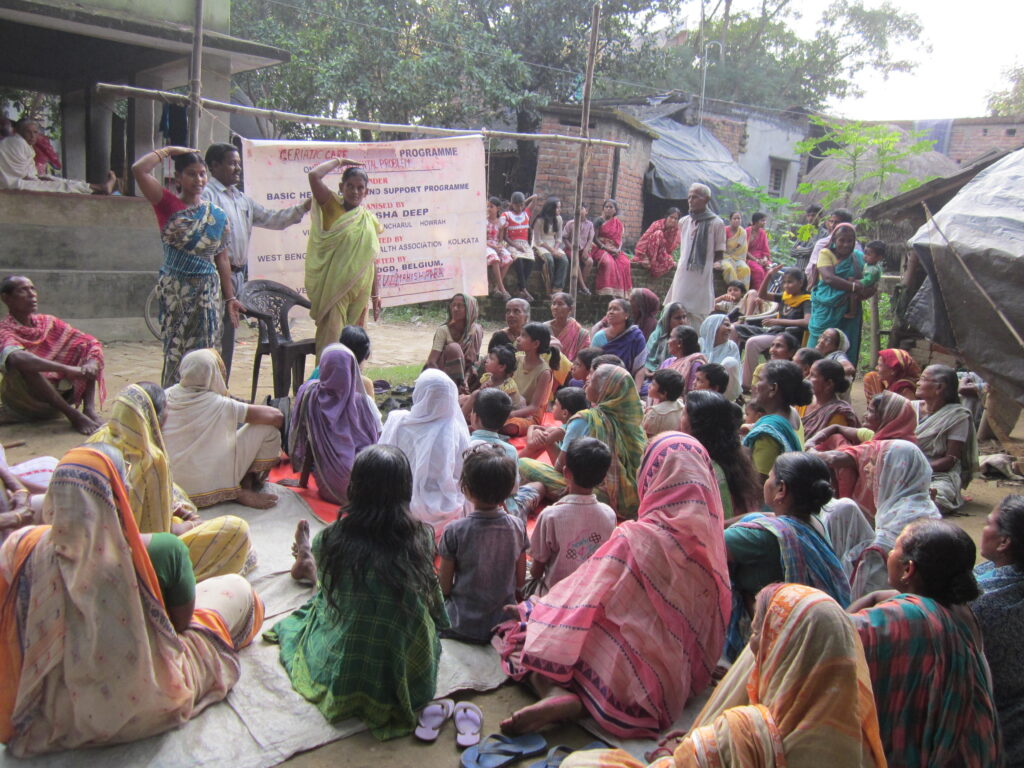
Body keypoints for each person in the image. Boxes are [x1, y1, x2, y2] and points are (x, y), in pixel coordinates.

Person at [0, 446, 262, 756]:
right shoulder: (160, 551)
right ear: (119, 496)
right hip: (142, 699)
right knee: (237, 589)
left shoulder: (19, 546)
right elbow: (179, 627)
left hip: (50, 711)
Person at [498, 433, 730, 739]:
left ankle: (556, 691)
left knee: (525, 636)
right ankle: (582, 701)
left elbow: (585, 597)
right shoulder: (713, 551)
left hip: (618, 664)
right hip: (667, 679)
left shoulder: (636, 539)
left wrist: (536, 610)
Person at [564, 584, 886, 768]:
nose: (752, 646)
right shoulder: (860, 745)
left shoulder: (742, 734)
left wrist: (685, 752)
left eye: (759, 633)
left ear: (783, 647)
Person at [267, 445, 448, 740]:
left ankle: (307, 563)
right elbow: (433, 600)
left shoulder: (331, 539)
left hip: (348, 657)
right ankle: (307, 563)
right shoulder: (422, 537)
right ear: (406, 490)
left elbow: (331, 599)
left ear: (354, 488)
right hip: (410, 664)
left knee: (326, 598)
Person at [849, 519, 1000, 767]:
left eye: (895, 548)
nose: (889, 553)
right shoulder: (956, 607)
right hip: (970, 754)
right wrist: (873, 596)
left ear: (908, 569)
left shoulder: (906, 618)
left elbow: (837, 635)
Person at [88, 382, 255, 580]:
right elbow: (160, 539)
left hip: (89, 546)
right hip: (130, 558)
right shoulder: (150, 460)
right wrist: (188, 526)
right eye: (166, 409)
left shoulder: (98, 438)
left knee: (176, 494)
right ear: (154, 416)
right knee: (236, 530)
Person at [724, 452, 852, 658]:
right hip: (814, 634)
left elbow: (705, 546)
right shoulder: (814, 522)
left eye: (770, 477)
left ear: (781, 489)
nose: (766, 481)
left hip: (772, 641)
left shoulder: (761, 537)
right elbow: (766, 516)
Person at [132, 146, 239, 387]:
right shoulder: (166, 204)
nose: (199, 180)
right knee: (176, 350)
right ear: (178, 177)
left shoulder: (216, 215)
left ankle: (205, 398)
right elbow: (139, 170)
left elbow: (222, 258)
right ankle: (173, 400)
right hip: (177, 292)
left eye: (202, 174)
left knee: (207, 352)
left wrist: (230, 298)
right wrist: (168, 151)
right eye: (191, 174)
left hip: (207, 294)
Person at [202, 143, 309, 378]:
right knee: (211, 337)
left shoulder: (242, 200)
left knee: (227, 336)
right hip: (214, 276)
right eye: (232, 163)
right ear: (215, 166)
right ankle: (207, 386)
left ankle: (222, 386)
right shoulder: (208, 196)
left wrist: (303, 208)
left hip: (237, 275)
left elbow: (273, 218)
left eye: (238, 163)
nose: (237, 168)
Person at [519, 364, 646, 520]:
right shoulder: (634, 422)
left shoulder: (586, 419)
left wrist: (549, 442)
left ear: (603, 391)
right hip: (634, 498)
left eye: (592, 381)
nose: (586, 383)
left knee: (523, 464)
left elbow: (560, 468)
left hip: (598, 495)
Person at [162, 349, 283, 509]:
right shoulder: (221, 404)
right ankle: (240, 489)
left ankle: (234, 488)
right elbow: (276, 417)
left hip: (170, 486)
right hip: (208, 482)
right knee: (269, 431)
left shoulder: (165, 396)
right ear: (214, 374)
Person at [824, 440, 941, 599]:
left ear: (894, 472)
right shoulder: (920, 503)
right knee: (844, 509)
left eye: (874, 463)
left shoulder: (900, 522)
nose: (866, 468)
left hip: (891, 591)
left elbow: (882, 577)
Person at [439, 444, 527, 643]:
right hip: (503, 621)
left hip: (461, 623)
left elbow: (444, 588)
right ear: (508, 490)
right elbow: (520, 580)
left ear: (467, 490)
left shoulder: (454, 530)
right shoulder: (517, 526)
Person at [0, 275, 104, 433]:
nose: (32, 294)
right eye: (23, 290)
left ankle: (89, 409)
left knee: (87, 348)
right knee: (27, 366)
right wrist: (67, 369)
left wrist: (90, 363)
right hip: (26, 400)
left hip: (60, 396)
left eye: (32, 289)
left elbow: (89, 341)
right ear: (6, 298)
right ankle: (74, 416)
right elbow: (17, 358)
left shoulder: (48, 322)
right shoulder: (3, 330)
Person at [305, 159, 382, 356]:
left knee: (356, 343)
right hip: (335, 290)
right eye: (350, 186)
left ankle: (352, 376)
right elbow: (314, 176)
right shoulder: (331, 206)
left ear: (366, 191)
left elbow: (372, 259)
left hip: (361, 291)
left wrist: (376, 295)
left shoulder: (368, 219)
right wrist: (340, 161)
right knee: (331, 342)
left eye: (360, 187)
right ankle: (327, 376)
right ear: (341, 187)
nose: (355, 191)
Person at [379, 368, 470, 533]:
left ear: (420, 393)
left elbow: (381, 462)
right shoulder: (456, 431)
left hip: (395, 505)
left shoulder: (397, 421)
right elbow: (463, 474)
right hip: (442, 513)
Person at [289, 344, 381, 505]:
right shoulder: (363, 402)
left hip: (329, 488)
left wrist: (302, 482)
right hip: (367, 489)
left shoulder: (310, 396)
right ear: (352, 369)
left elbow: (309, 442)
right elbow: (379, 439)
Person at [809, 390, 919, 517]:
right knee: (837, 439)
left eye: (871, 411)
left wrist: (809, 448)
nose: (865, 415)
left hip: (877, 513)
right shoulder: (908, 443)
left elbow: (832, 459)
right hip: (904, 508)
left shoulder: (881, 448)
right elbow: (837, 428)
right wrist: (817, 438)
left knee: (842, 456)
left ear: (887, 417)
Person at [528, 437, 615, 596]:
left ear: (566, 472)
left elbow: (536, 572)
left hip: (554, 595)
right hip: (589, 594)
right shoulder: (609, 514)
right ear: (602, 479)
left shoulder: (550, 515)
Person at [973, 495, 1024, 765]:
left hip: (995, 725)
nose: (983, 529)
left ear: (1004, 542)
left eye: (988, 523)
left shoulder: (980, 602)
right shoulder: (990, 579)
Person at [680, 390, 761, 518]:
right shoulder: (736, 458)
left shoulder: (700, 467)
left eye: (684, 413)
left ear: (696, 425)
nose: (680, 418)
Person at [915, 364, 978, 515]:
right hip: (904, 468)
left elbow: (950, 459)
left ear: (939, 387)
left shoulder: (957, 416)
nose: (917, 383)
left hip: (939, 474)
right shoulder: (909, 407)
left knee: (939, 497)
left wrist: (919, 469)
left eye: (923, 379)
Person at [736, 264, 811, 390]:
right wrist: (769, 275)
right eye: (784, 282)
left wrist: (778, 321)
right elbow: (762, 295)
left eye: (790, 282)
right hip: (774, 332)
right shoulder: (785, 296)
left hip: (788, 336)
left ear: (800, 282)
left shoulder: (806, 300)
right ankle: (734, 375)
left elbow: (806, 321)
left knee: (752, 342)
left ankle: (746, 384)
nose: (786, 286)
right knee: (735, 330)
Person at [0, 118, 116, 194]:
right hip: (13, 184)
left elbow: (28, 173)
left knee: (59, 181)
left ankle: (97, 187)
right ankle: (99, 188)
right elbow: (22, 176)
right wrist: (41, 180)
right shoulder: (17, 143)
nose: (32, 136)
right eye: (28, 132)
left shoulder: (20, 144)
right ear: (19, 132)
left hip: (18, 181)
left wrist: (43, 178)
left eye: (35, 132)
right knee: (59, 185)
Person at [666, 184, 726, 328]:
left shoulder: (716, 223)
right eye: (689, 197)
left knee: (698, 314)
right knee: (677, 308)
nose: (690, 200)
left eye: (695, 197)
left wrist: (707, 262)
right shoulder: (684, 222)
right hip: (683, 273)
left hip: (701, 276)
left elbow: (719, 253)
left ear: (706, 199)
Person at [807, 222, 869, 359]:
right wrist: (853, 287)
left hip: (849, 309)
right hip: (825, 308)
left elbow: (869, 279)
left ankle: (843, 370)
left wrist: (865, 289)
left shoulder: (858, 257)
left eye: (850, 241)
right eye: (842, 240)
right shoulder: (825, 253)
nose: (846, 244)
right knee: (817, 345)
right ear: (834, 240)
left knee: (847, 344)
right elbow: (828, 278)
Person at [743, 360, 811, 479]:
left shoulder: (767, 435)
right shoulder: (792, 413)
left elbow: (760, 483)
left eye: (760, 380)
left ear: (773, 388)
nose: (756, 386)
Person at [503, 322, 559, 436]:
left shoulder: (544, 372)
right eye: (520, 335)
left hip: (529, 417)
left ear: (536, 344)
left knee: (510, 427)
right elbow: (505, 384)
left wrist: (511, 414)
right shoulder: (517, 359)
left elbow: (534, 407)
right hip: (511, 406)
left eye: (523, 336)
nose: (518, 339)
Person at [424, 293, 483, 391]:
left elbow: (473, 361)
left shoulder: (476, 331)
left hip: (466, 376)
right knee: (454, 348)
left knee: (486, 362)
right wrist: (443, 382)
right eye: (453, 305)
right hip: (443, 374)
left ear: (470, 309)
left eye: (460, 306)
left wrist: (465, 380)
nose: (455, 309)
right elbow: (432, 362)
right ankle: (453, 389)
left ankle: (464, 388)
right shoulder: (443, 330)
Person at [592, 298, 648, 390]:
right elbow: (593, 365)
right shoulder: (599, 337)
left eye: (615, 309)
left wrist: (636, 390)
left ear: (626, 315)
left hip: (628, 382)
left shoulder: (636, 336)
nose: (610, 312)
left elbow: (640, 367)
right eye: (609, 309)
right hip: (603, 382)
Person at [521, 385, 588, 463]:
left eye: (555, 404)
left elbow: (531, 444)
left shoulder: (561, 431)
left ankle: (518, 462)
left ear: (565, 413)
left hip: (562, 467)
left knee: (545, 436)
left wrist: (533, 430)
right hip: (570, 463)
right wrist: (534, 429)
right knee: (550, 431)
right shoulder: (574, 424)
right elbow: (537, 428)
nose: (553, 407)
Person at [802, 358, 859, 438]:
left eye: (813, 375)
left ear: (829, 384)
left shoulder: (838, 414)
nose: (806, 379)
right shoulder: (804, 402)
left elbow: (832, 443)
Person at [502, 191, 537, 301]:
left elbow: (535, 197)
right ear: (512, 204)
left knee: (531, 261)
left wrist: (523, 202)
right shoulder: (506, 215)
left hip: (524, 244)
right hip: (511, 243)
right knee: (519, 261)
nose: (520, 207)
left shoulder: (526, 213)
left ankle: (519, 288)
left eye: (522, 205)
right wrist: (516, 246)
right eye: (517, 205)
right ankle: (524, 289)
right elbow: (504, 237)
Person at [806, 207, 854, 286]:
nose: (832, 225)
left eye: (837, 222)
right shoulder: (822, 244)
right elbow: (812, 268)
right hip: (822, 287)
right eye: (831, 221)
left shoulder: (855, 247)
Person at [698, 314, 741, 400]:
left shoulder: (731, 347)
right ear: (714, 326)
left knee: (730, 362)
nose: (729, 329)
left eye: (729, 325)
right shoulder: (699, 344)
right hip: (699, 386)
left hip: (723, 391)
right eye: (726, 325)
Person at [591, 200, 629, 297]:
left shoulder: (618, 224)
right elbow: (594, 238)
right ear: (603, 209)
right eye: (606, 207)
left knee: (625, 263)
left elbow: (619, 240)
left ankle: (619, 293)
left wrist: (617, 250)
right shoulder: (598, 221)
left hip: (614, 249)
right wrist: (606, 248)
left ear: (615, 210)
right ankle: (606, 291)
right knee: (608, 262)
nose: (608, 209)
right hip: (599, 247)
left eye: (611, 207)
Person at [532, 196, 567, 295]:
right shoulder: (539, 220)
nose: (559, 209)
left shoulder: (559, 219)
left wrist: (555, 249)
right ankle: (549, 288)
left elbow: (559, 238)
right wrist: (552, 251)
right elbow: (538, 240)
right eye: (557, 207)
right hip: (540, 245)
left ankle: (558, 287)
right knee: (549, 260)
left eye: (560, 207)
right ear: (551, 208)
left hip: (553, 244)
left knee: (564, 260)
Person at [632, 208, 681, 279]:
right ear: (666, 217)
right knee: (658, 234)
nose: (673, 220)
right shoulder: (657, 224)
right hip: (648, 253)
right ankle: (652, 262)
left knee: (670, 261)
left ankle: (657, 264)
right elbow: (643, 240)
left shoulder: (675, 231)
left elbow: (669, 249)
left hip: (661, 255)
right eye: (671, 217)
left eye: (675, 219)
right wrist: (644, 257)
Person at [643, 302, 688, 374]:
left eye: (684, 317)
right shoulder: (656, 336)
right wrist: (647, 370)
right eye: (677, 318)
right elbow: (646, 361)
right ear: (667, 320)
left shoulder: (689, 338)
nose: (682, 321)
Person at [546, 291, 591, 363]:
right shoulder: (543, 329)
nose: (555, 307)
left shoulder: (581, 333)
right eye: (553, 304)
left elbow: (583, 358)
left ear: (570, 308)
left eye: (560, 304)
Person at [561, 202, 595, 295]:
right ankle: (583, 286)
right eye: (577, 209)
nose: (579, 211)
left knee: (590, 262)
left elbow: (590, 239)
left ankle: (579, 287)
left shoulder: (590, 224)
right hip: (571, 249)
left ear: (586, 211)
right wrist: (572, 248)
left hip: (583, 249)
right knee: (575, 260)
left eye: (581, 209)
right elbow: (564, 238)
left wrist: (586, 250)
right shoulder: (570, 223)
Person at [661, 324, 705, 394]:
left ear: (680, 343)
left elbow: (693, 392)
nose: (668, 342)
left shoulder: (695, 364)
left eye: (671, 337)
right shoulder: (667, 362)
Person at [847, 240, 884, 319]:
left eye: (869, 254)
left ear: (878, 258)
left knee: (853, 295)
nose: (865, 256)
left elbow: (867, 281)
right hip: (866, 286)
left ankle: (852, 312)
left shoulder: (874, 269)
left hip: (867, 288)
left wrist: (855, 281)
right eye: (865, 253)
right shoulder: (869, 264)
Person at [642, 369, 684, 438]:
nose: (649, 386)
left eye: (653, 384)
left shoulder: (655, 412)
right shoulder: (681, 407)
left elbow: (646, 437)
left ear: (663, 393)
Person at [486, 196, 513, 300]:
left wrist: (500, 247)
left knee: (508, 259)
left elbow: (500, 239)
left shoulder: (501, 222)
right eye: (488, 206)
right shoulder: (484, 221)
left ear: (497, 208)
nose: (489, 209)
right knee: (495, 258)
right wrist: (493, 247)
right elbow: (482, 240)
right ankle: (502, 288)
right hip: (487, 245)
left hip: (496, 245)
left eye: (491, 206)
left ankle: (497, 287)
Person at [790, 203, 825, 272]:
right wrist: (805, 251)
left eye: (813, 215)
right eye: (808, 216)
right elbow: (792, 251)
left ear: (820, 216)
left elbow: (813, 251)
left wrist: (800, 249)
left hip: (812, 271)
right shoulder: (804, 231)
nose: (810, 218)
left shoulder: (824, 234)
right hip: (797, 269)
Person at [721, 211, 751, 287]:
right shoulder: (724, 230)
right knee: (729, 268)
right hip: (724, 256)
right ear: (730, 220)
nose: (737, 220)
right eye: (734, 218)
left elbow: (741, 249)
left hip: (738, 258)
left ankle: (743, 291)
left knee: (745, 269)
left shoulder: (742, 232)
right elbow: (720, 246)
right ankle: (734, 288)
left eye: (739, 218)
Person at [745, 212, 772, 289]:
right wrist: (756, 260)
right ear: (756, 221)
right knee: (759, 271)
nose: (764, 222)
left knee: (770, 268)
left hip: (761, 258)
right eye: (762, 220)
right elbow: (744, 250)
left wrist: (765, 259)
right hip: (749, 258)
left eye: (765, 220)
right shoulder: (746, 231)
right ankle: (757, 292)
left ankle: (766, 292)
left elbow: (765, 249)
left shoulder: (763, 233)